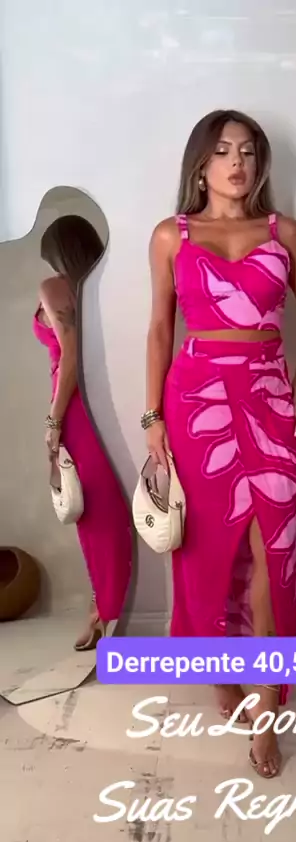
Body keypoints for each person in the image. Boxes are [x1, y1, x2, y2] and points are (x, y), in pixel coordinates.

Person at [144, 110, 296, 777]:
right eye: (223, 150)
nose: (237, 162)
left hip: (269, 400)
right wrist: (152, 417)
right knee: (208, 550)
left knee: (273, 553)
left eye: (248, 151)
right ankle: (222, 673)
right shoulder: (172, 235)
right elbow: (160, 329)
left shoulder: (286, 234)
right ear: (201, 163)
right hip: (196, 405)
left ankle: (268, 712)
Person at [33, 215, 131, 650]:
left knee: (94, 514)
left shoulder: (54, 288)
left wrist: (54, 420)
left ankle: (108, 612)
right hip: (111, 399)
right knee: (110, 511)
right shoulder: (109, 288)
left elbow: (70, 355)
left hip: (75, 405)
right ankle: (108, 609)